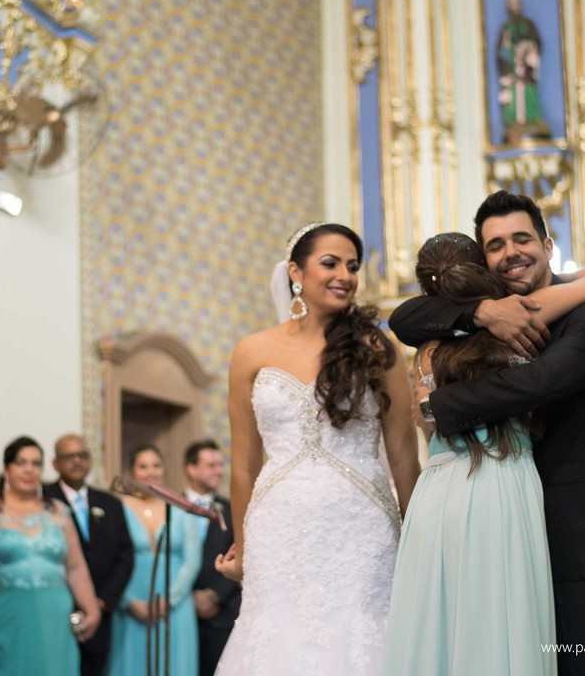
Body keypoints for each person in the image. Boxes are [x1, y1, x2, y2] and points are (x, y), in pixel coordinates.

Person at [389, 191, 585, 676]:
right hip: (492, 518)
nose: (510, 252)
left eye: (522, 238)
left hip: (571, 533)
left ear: (546, 244)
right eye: (495, 245)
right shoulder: (482, 323)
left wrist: (437, 404)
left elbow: (544, 380)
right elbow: (403, 318)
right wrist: (480, 313)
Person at [214, 223, 420, 675]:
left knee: (362, 634)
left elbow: (404, 455)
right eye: (330, 263)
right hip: (277, 525)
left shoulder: (376, 348)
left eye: (352, 266)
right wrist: (244, 547)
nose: (344, 275)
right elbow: (244, 464)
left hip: (362, 525)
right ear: (295, 271)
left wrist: (421, 538)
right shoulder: (251, 351)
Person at [0, 436, 101, 676]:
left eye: (36, 463)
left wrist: (91, 609)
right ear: (6, 468)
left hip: (54, 618)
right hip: (1, 617)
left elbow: (75, 567)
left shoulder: (59, 513)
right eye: (21, 462)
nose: (29, 469)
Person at [107, 444, 202, 676]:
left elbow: (192, 561)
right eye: (143, 466)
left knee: (173, 663)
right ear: (132, 471)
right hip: (130, 599)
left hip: (174, 605)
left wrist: (168, 601)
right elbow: (111, 559)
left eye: (156, 466)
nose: (151, 472)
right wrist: (128, 601)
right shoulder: (117, 506)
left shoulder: (180, 507)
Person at [47, 433, 135, 676]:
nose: (77, 461)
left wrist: (102, 601)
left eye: (82, 455)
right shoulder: (44, 499)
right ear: (55, 463)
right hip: (57, 608)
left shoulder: (110, 503)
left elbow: (125, 556)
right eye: (69, 456)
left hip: (101, 610)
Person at [183, 440, 240, 676]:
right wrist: (186, 597)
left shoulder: (232, 509)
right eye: (211, 465)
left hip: (222, 611)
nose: (219, 471)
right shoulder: (171, 506)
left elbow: (242, 554)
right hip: (180, 611)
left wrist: (213, 594)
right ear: (191, 468)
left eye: (220, 465)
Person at [496, 0, 551, 142]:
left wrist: (527, 50)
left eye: (517, 6)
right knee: (514, 97)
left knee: (529, 93)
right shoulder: (506, 28)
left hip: (526, 70)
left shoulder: (528, 24)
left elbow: (536, 43)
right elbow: (500, 51)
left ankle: (533, 118)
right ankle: (514, 121)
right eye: (512, 7)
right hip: (513, 70)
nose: (515, 9)